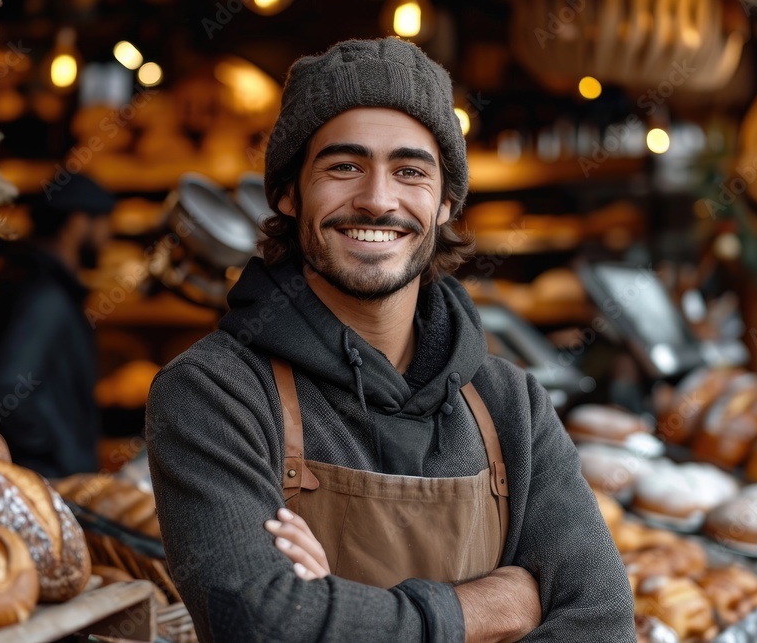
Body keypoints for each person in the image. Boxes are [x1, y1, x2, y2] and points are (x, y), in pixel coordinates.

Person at [146, 37, 634, 642]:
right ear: (288, 193)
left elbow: (604, 618)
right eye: (344, 166)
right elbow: (262, 624)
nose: (378, 200)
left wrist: (335, 610)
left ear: (446, 203)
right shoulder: (214, 394)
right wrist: (490, 611)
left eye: (410, 171)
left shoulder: (512, 404)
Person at [0, 172, 114, 478]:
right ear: (77, 223)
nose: (108, 236)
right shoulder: (46, 296)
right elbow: (4, 387)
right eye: (104, 222)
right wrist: (59, 453)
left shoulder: (18, 276)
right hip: (45, 479)